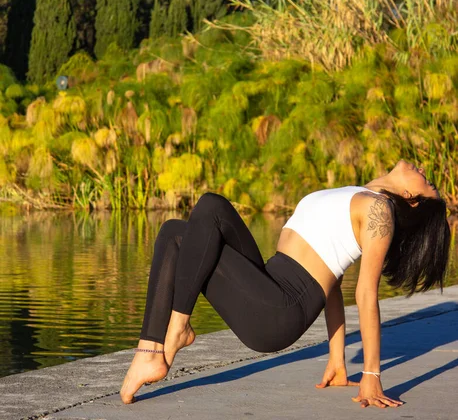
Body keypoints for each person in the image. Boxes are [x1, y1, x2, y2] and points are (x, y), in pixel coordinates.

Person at [120, 159, 450, 408]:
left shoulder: (381, 212)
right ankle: (156, 345)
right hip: (268, 281)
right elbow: (333, 282)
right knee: (181, 228)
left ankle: (168, 337)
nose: (422, 168)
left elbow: (365, 294)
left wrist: (371, 375)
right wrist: (337, 360)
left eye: (427, 180)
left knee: (202, 210)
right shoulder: (359, 194)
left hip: (278, 311)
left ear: (412, 199)